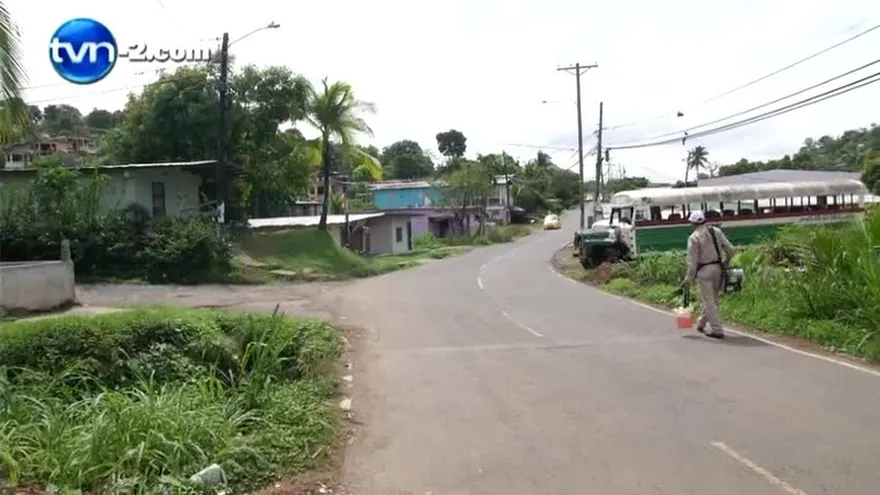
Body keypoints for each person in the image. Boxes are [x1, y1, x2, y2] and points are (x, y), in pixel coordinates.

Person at [679, 210, 735, 339]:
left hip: (704, 272)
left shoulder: (694, 238)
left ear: (692, 223)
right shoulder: (716, 231)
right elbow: (731, 250)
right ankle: (701, 323)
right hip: (718, 269)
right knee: (712, 299)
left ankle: (717, 329)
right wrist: (726, 262)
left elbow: (692, 263)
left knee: (709, 301)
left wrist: (688, 279)